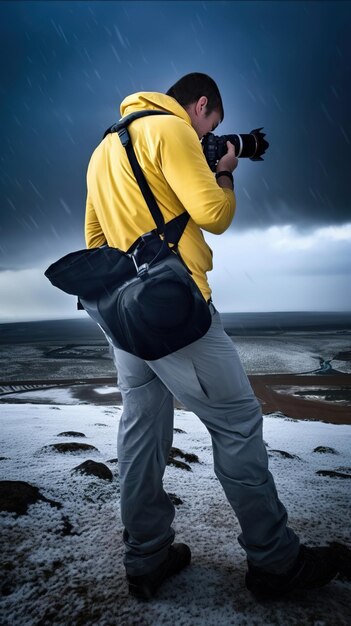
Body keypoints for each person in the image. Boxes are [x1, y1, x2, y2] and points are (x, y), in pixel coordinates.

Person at [85, 73, 339, 600]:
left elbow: (94, 239)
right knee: (239, 423)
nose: (210, 136)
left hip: (123, 315)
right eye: (212, 126)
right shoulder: (170, 130)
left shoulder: (104, 148)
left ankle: (146, 557)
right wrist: (224, 172)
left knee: (141, 431)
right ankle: (275, 562)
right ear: (200, 106)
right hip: (177, 310)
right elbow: (214, 217)